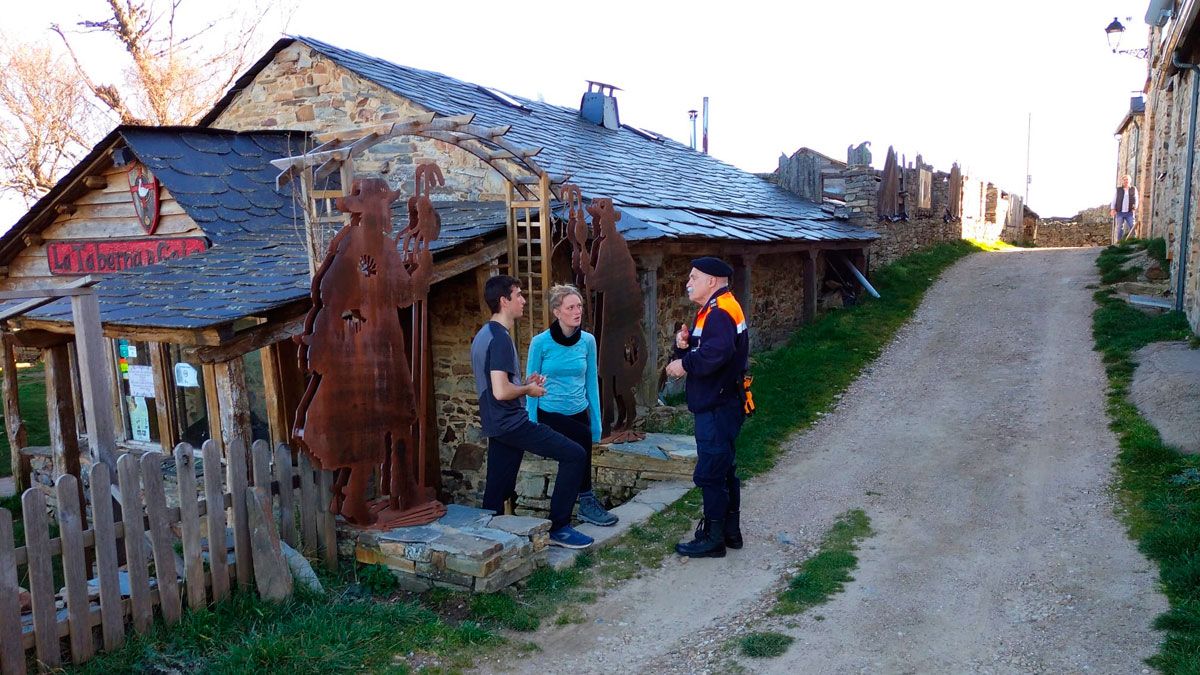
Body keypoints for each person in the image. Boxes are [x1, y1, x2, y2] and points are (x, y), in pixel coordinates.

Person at [472, 275, 594, 549]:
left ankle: (482, 542)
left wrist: (525, 383)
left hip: (497, 424)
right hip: (512, 423)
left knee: (496, 490)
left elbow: (495, 387)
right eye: (518, 295)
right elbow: (501, 391)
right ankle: (560, 527)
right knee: (575, 454)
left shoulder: (484, 335)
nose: (523, 300)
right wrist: (528, 391)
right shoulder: (500, 339)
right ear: (504, 301)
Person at [665, 257, 750, 558]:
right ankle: (730, 532)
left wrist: (682, 364)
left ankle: (713, 539)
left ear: (711, 281)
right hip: (724, 402)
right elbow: (712, 350)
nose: (688, 282)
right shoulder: (718, 308)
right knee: (724, 467)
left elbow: (716, 355)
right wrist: (684, 345)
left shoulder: (719, 313)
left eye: (693, 277)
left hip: (717, 405)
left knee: (712, 472)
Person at [526, 284, 619, 527]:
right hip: (550, 412)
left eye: (579, 306)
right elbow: (530, 384)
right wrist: (531, 422)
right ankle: (586, 499)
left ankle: (583, 504)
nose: (577, 311)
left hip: (579, 411)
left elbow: (591, 383)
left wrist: (597, 423)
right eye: (571, 307)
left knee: (582, 436)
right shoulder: (540, 343)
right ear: (557, 312)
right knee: (581, 437)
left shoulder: (587, 341)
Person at [1110, 174, 1138, 242]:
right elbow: (1114, 199)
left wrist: (1135, 207)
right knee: (1119, 228)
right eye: (1124, 180)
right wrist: (1112, 209)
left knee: (1132, 226)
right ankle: (1119, 242)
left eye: (1127, 179)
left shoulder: (1133, 189)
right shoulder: (1118, 190)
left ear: (1130, 181)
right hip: (1120, 212)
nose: (1126, 181)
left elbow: (1136, 198)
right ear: (1122, 181)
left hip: (1129, 212)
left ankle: (1134, 241)